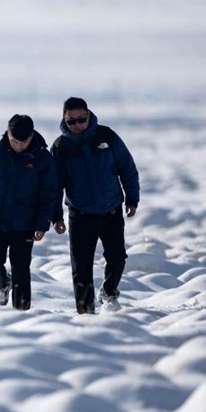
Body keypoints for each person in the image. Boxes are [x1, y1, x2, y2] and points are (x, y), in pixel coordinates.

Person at [51, 97, 139, 314]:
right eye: (72, 122)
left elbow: (127, 167)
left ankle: (109, 292)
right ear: (64, 120)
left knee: (117, 258)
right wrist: (56, 216)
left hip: (111, 211)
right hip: (80, 215)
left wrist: (132, 198)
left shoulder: (106, 136)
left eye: (81, 119)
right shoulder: (61, 147)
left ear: (89, 115)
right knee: (81, 269)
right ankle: (85, 315)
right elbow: (53, 186)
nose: (78, 125)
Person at [0, 114, 58, 310]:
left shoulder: (42, 157)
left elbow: (49, 193)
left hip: (25, 224)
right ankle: (2, 284)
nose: (18, 145)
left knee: (21, 270)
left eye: (23, 141)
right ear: (7, 134)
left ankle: (22, 312)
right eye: (14, 141)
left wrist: (42, 223)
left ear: (31, 137)